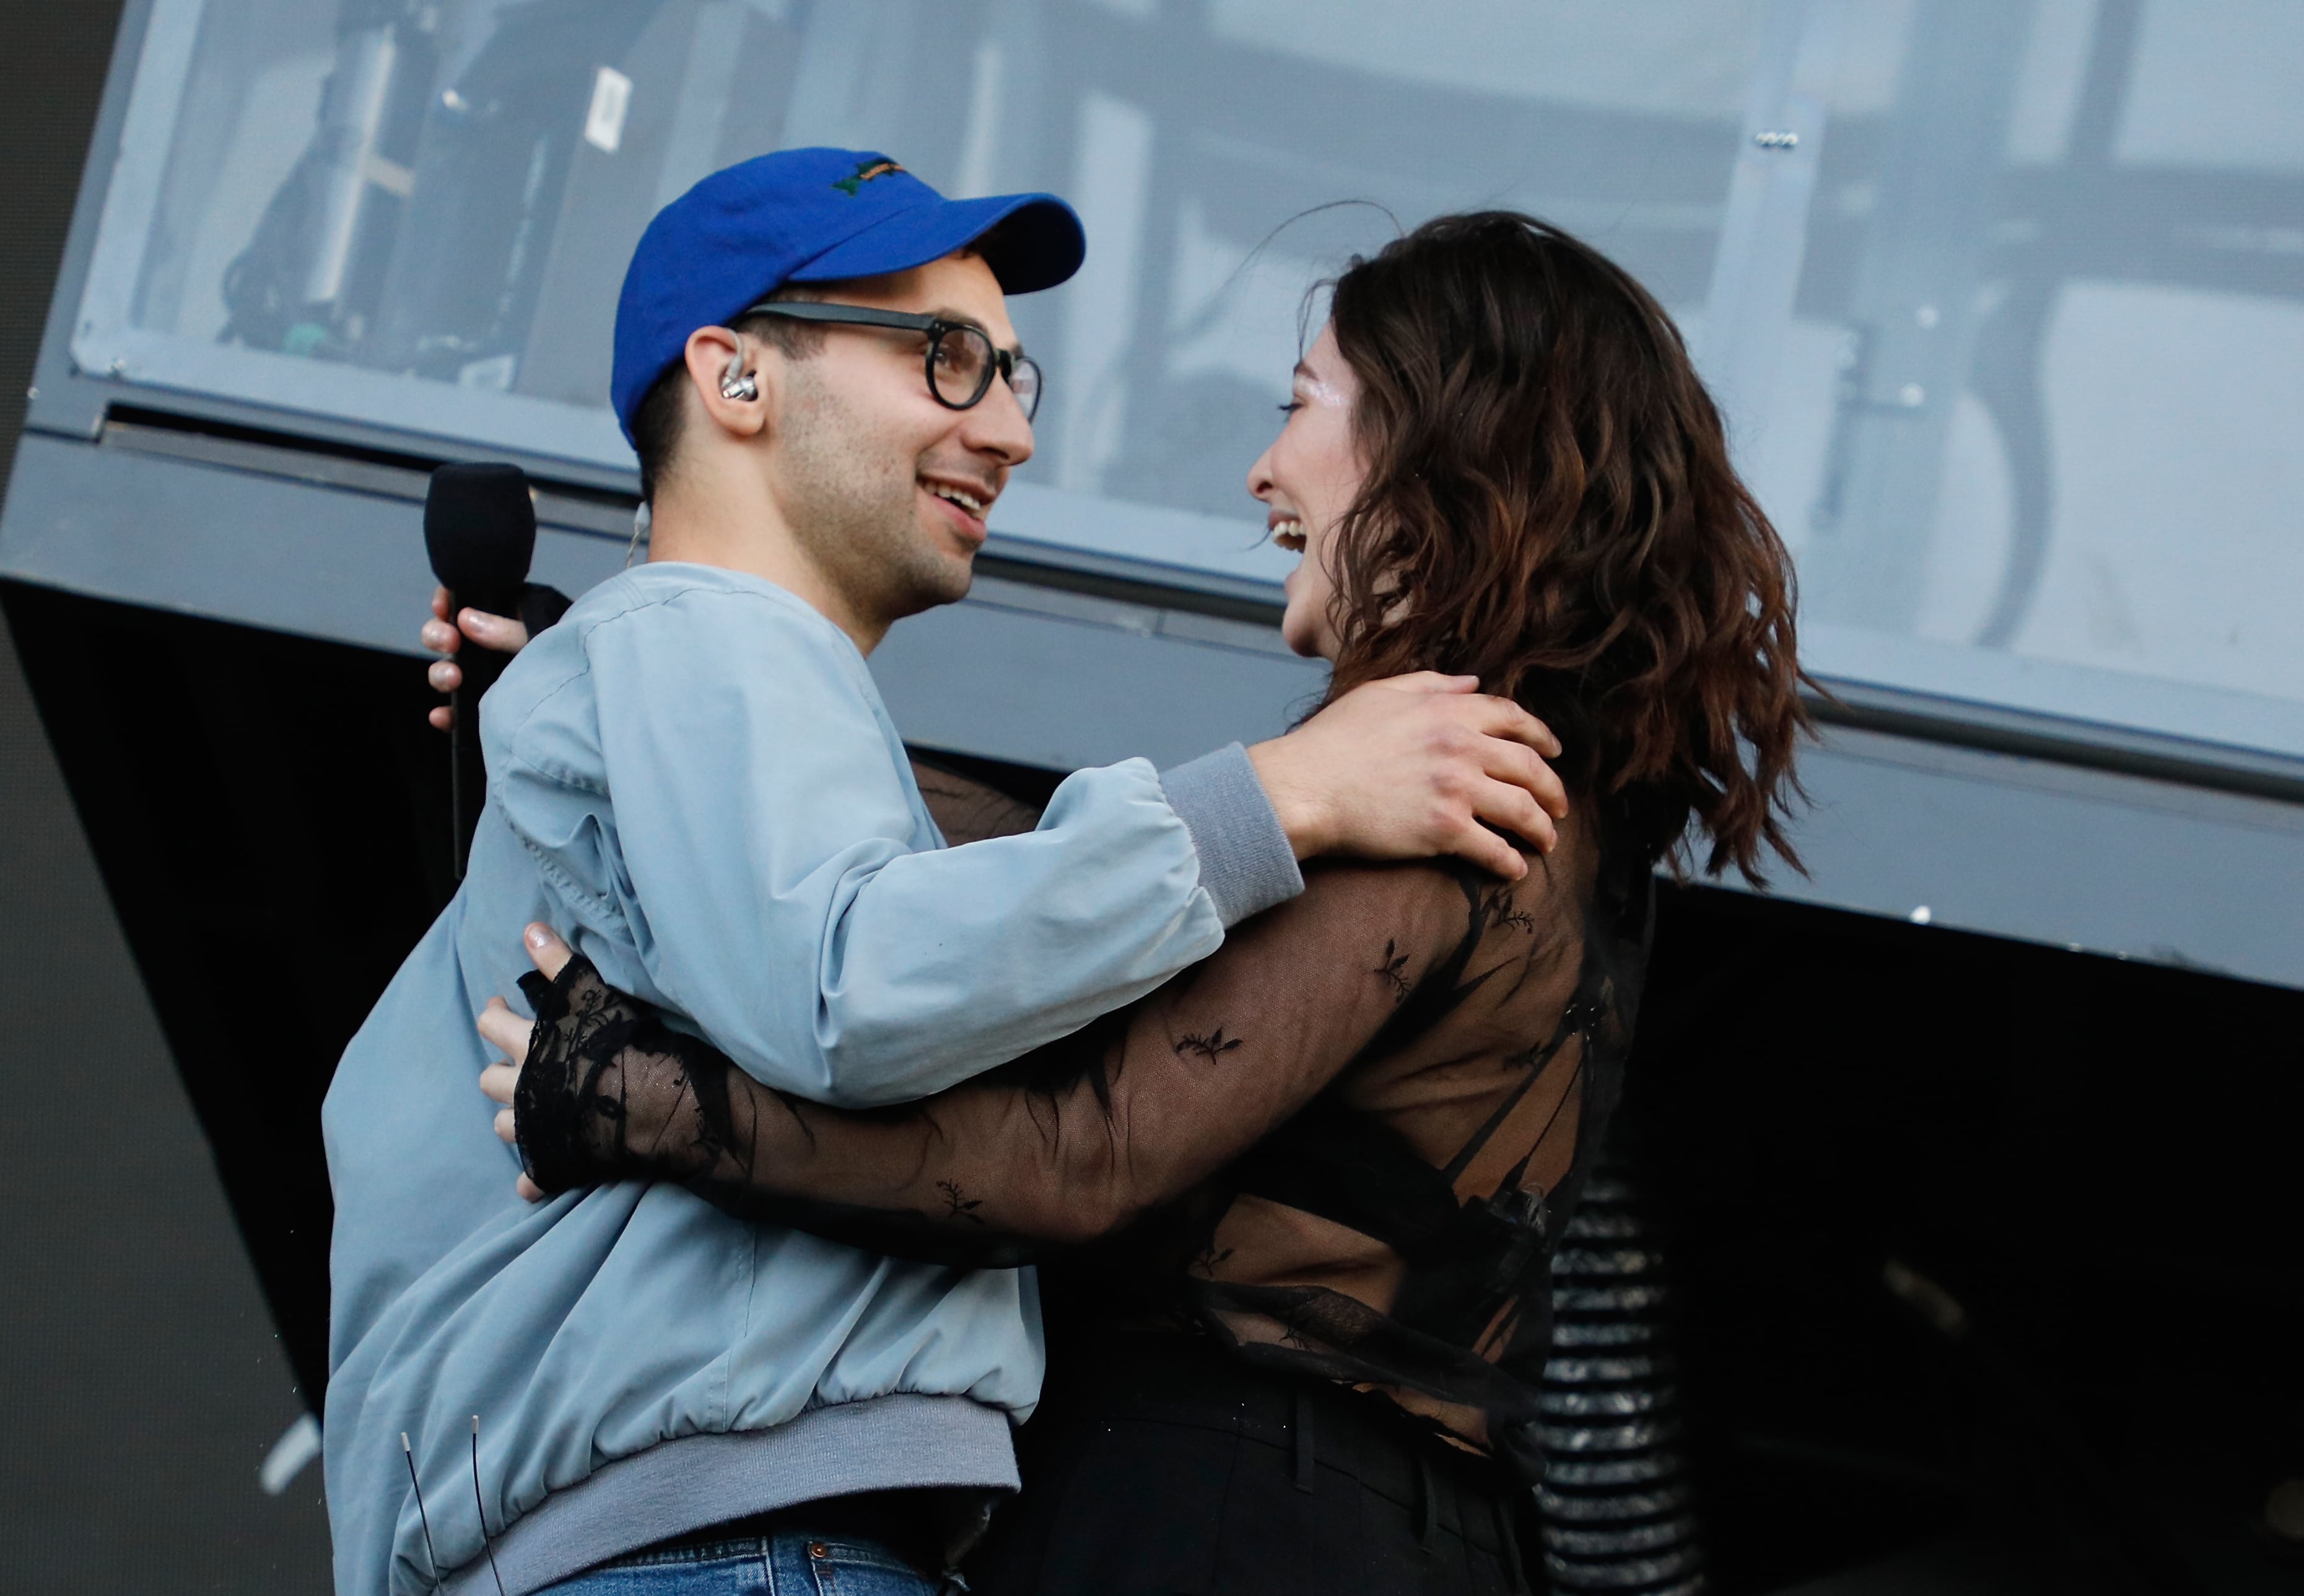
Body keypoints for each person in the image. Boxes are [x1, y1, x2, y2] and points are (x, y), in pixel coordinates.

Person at [465, 211, 1809, 1594]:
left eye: (1302, 405)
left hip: (1223, 1512)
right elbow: (1054, 868)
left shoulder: (1438, 795)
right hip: (1405, 1532)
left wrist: (644, 1098)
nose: (1263, 469)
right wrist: (643, 704)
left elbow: (1075, 1159)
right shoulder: (1547, 798)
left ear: (1441, 440)